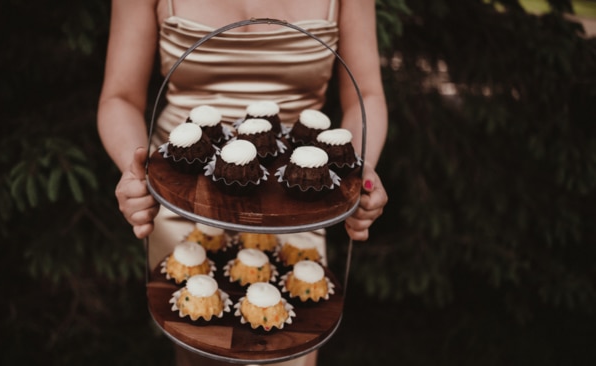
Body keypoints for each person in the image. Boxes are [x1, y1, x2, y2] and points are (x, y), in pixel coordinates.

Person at [97, 1, 388, 365]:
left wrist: (362, 170)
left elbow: (368, 95)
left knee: (288, 349)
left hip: (296, 201)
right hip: (183, 199)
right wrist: (134, 169)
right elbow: (120, 96)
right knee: (201, 345)